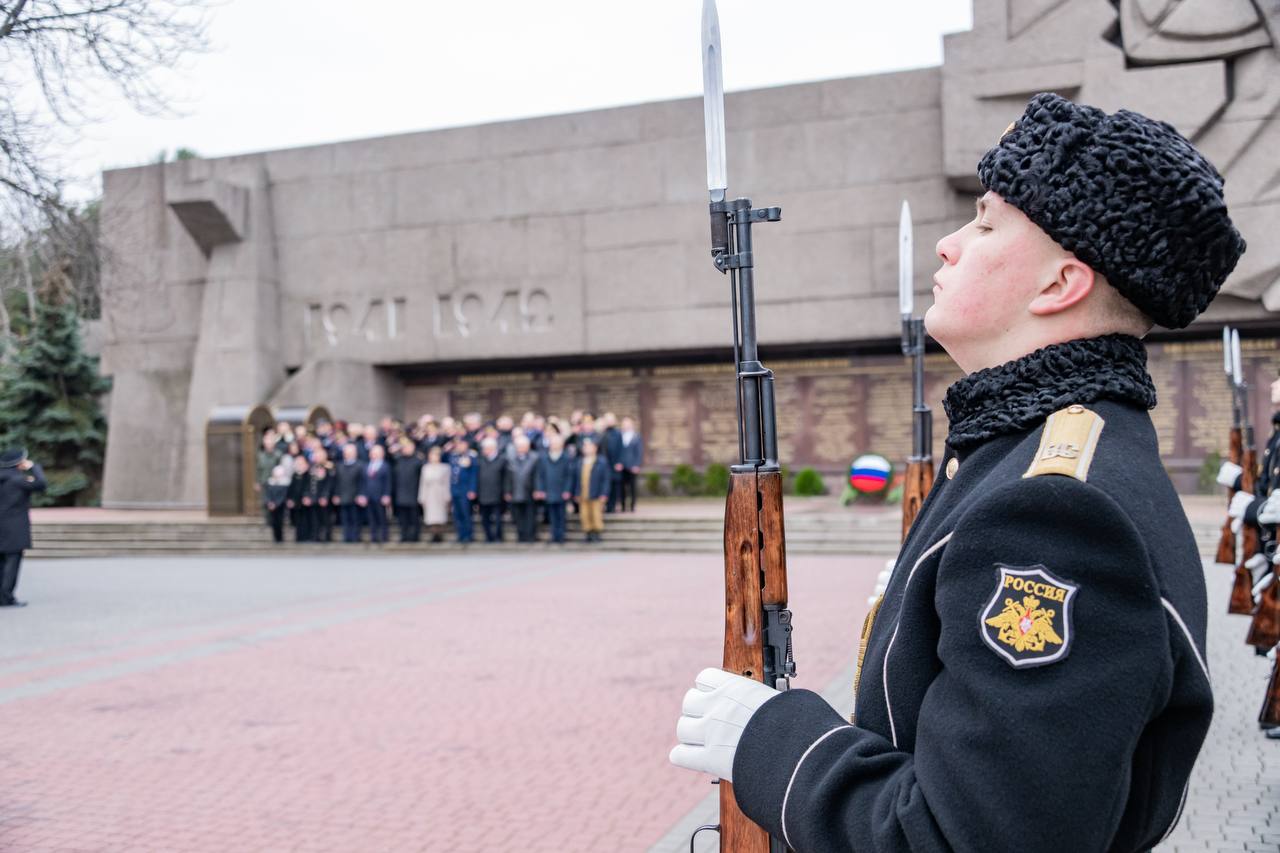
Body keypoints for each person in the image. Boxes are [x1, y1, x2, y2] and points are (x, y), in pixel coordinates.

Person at [669, 92, 1244, 851]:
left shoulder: (1055, 514)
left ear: (1058, 285)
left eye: (985, 222)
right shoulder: (1032, 452)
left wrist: (775, 741)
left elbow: (965, 835)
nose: (948, 244)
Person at [0, 448, 46, 607]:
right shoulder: (18, 480)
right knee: (12, 563)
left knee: (1, 563)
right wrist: (34, 467)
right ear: (20, 463)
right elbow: (41, 484)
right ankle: (6, 597)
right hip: (14, 527)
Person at [535, 431, 574, 545]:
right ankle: (554, 535)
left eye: (557, 443)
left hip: (561, 490)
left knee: (561, 515)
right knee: (551, 515)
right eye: (553, 443)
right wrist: (541, 489)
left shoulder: (566, 457)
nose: (555, 445)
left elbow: (569, 475)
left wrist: (567, 490)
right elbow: (540, 475)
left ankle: (561, 536)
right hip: (549, 490)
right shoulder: (544, 457)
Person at [572, 438, 609, 543]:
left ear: (595, 448)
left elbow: (605, 479)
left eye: (589, 446)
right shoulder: (580, 462)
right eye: (585, 447)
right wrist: (576, 492)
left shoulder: (601, 461)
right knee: (584, 515)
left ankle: (597, 533)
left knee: (596, 514)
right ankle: (588, 533)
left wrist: (604, 493)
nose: (587, 449)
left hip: (596, 493)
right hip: (583, 493)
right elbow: (575, 479)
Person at [505, 434, 540, 543]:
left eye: (523, 446)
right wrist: (507, 491)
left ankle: (530, 536)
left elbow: (537, 476)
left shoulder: (534, 458)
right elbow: (508, 477)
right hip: (515, 491)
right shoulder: (511, 459)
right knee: (518, 516)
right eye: (519, 446)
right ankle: (521, 536)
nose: (521, 448)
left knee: (530, 516)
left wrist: (537, 489)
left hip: (529, 491)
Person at [392, 437, 425, 543]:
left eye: (409, 447)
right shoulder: (398, 460)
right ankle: (404, 535)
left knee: (414, 518)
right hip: (400, 493)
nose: (406, 449)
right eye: (405, 447)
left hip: (414, 493)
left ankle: (415, 536)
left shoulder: (418, 461)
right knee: (403, 519)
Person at [476, 437, 507, 543]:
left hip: (497, 493)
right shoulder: (480, 460)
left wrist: (505, 491)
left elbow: (506, 478)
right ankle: (488, 537)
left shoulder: (502, 460)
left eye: (486, 448)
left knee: (498, 518)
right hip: (483, 494)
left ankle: (498, 536)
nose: (484, 450)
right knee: (485, 518)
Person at [418, 446, 451, 543]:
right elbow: (423, 483)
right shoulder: (425, 468)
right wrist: (422, 497)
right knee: (431, 516)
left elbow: (447, 483)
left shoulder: (445, 468)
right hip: (429, 494)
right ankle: (433, 534)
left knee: (440, 515)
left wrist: (447, 496)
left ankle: (440, 534)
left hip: (440, 493)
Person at [333, 443, 364, 543]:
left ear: (355, 453)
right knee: (345, 519)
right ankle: (347, 537)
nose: (348, 454)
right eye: (346, 452)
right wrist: (336, 494)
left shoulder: (360, 465)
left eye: (351, 452)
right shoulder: (340, 465)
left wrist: (360, 495)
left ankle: (355, 537)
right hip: (343, 496)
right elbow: (336, 482)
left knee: (355, 518)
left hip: (355, 496)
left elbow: (362, 482)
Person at [449, 439, 478, 544]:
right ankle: (460, 535)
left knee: (466, 514)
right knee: (457, 514)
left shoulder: (471, 457)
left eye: (462, 445)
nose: (460, 447)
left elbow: (473, 475)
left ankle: (468, 535)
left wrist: (472, 490)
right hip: (455, 490)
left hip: (465, 490)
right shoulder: (454, 456)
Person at [362, 444, 392, 544]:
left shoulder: (385, 466)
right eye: (372, 453)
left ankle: (384, 536)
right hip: (369, 496)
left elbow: (388, 482)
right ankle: (374, 536)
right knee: (371, 518)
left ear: (382, 454)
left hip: (380, 496)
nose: (373, 455)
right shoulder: (367, 466)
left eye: (376, 453)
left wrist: (386, 495)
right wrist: (363, 495)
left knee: (382, 518)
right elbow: (363, 482)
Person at [308, 447, 335, 543]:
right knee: (315, 519)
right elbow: (310, 483)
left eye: (320, 456)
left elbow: (329, 484)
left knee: (326, 519)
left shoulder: (329, 468)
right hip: (314, 497)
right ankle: (315, 536)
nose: (317, 458)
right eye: (316, 456)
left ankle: (327, 536)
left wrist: (325, 496)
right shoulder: (312, 467)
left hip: (324, 499)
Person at [618, 416, 644, 512]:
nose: (626, 425)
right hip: (622, 466)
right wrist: (619, 463)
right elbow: (618, 451)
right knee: (622, 488)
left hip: (632, 466)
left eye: (628, 423)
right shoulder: (619, 435)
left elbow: (639, 451)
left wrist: (636, 465)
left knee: (632, 487)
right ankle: (623, 506)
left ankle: (632, 505)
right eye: (624, 424)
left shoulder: (636, 436)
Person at [285, 455, 313, 542]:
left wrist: (308, 497)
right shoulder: (295, 475)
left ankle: (308, 537)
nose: (299, 465)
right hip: (296, 502)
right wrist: (289, 499)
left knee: (307, 520)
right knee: (297, 521)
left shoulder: (309, 475)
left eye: (301, 463)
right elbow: (291, 488)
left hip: (306, 502)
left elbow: (311, 488)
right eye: (297, 463)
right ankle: (299, 537)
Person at [262, 464, 292, 544]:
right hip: (272, 507)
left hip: (280, 507)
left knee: (280, 523)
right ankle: (276, 538)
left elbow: (283, 496)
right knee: (273, 523)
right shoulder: (270, 483)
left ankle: (280, 539)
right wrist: (269, 502)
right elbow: (267, 494)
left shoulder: (285, 484)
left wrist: (276, 504)